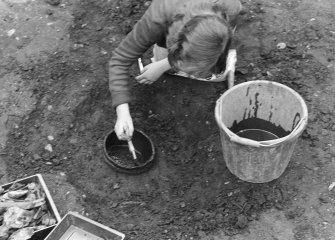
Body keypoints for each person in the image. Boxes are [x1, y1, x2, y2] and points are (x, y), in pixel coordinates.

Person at [109, 0, 242, 140]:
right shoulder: (157, 19)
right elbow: (119, 60)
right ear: (176, 45)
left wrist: (164, 64)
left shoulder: (230, 7)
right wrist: (123, 113)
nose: (192, 75)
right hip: (169, 23)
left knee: (217, 74)